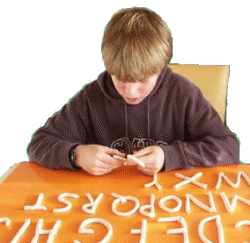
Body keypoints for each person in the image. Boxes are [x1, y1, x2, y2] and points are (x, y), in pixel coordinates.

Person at [27, 7, 240, 176]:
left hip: (171, 203)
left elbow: (228, 147)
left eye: (142, 80)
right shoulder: (90, 98)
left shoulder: (183, 94)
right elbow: (39, 144)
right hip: (108, 204)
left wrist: (169, 157)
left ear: (160, 69)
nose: (131, 91)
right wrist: (76, 155)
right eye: (121, 79)